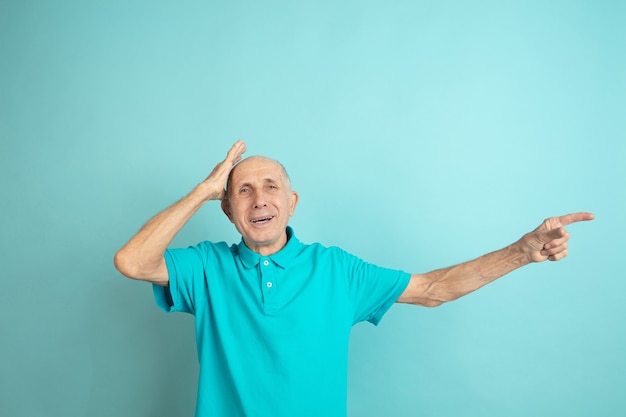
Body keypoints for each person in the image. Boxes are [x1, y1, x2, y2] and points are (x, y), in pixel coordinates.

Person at [114, 140, 594, 417]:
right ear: (228, 209)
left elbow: (433, 289)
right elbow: (132, 261)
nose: (259, 199)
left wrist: (521, 252)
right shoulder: (205, 266)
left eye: (270, 187)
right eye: (242, 190)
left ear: (292, 202)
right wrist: (201, 190)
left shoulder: (336, 270)